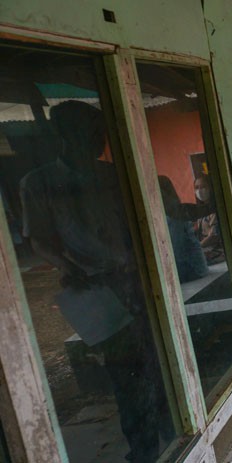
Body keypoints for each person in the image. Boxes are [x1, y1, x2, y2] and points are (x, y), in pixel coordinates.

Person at [19, 101, 170, 462]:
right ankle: (144, 450)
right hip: (97, 290)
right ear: (64, 136)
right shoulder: (38, 183)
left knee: (161, 363)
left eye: (98, 132)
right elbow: (38, 238)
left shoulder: (111, 176)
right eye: (90, 133)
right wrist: (66, 266)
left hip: (135, 282)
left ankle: (174, 431)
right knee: (127, 375)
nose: (98, 140)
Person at [193, 175, 225, 264]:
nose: (199, 190)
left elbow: (214, 236)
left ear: (210, 187)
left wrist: (197, 248)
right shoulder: (201, 211)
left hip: (218, 251)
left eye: (203, 186)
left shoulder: (216, 209)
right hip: (206, 249)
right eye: (196, 187)